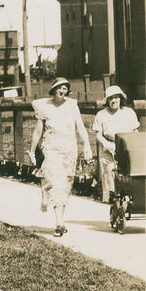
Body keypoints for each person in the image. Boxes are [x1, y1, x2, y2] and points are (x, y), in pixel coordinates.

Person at [29, 77, 91, 237]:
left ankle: (60, 220)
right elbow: (38, 131)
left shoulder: (72, 106)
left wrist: (87, 145)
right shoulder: (45, 107)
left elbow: (81, 127)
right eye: (59, 88)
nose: (62, 91)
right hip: (51, 149)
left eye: (65, 88)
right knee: (56, 182)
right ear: (53, 90)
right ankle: (58, 223)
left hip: (69, 150)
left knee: (65, 185)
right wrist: (31, 151)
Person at [93, 84, 140, 203]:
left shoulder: (129, 112)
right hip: (109, 148)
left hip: (127, 148)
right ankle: (113, 204)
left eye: (116, 97)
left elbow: (135, 131)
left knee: (130, 175)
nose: (114, 100)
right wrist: (105, 144)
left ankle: (132, 200)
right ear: (107, 100)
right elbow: (98, 134)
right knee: (110, 174)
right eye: (111, 98)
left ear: (121, 99)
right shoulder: (101, 115)